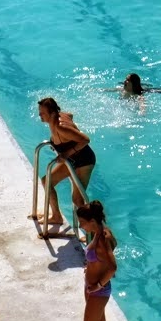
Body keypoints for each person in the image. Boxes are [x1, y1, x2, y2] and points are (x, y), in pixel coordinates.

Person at [37, 98, 96, 231]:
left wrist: (67, 153)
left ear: (52, 114)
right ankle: (56, 216)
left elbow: (85, 139)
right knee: (47, 181)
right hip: (71, 161)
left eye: (42, 113)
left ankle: (92, 232)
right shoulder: (57, 119)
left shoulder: (61, 127)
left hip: (84, 161)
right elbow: (69, 115)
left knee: (77, 200)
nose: (39, 115)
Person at [76, 199, 117, 321]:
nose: (80, 225)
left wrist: (98, 284)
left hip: (97, 293)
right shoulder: (101, 234)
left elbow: (112, 268)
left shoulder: (102, 239)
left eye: (82, 222)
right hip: (91, 288)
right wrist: (91, 266)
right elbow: (102, 261)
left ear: (92, 221)